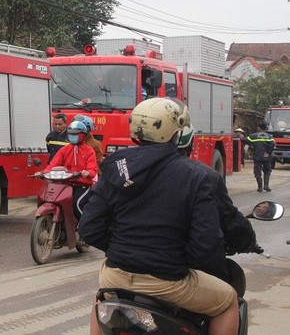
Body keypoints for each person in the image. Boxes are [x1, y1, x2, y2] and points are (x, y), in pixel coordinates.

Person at [79, 97, 239, 335]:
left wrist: (120, 250)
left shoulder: (115, 167)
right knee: (228, 301)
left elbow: (89, 228)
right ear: (176, 134)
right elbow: (206, 243)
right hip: (168, 281)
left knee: (102, 301)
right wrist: (175, 260)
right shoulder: (195, 176)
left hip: (116, 274)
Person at [177, 125, 260, 284]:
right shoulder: (204, 176)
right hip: (174, 272)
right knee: (229, 301)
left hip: (121, 269)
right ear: (189, 143)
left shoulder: (123, 169)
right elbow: (229, 219)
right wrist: (248, 241)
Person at [43, 121, 98, 221]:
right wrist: (43, 173)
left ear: (83, 135)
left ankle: (85, 228)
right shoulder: (65, 149)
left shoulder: (89, 150)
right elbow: (53, 164)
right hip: (66, 184)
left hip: (83, 185)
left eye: (76, 134)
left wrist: (88, 173)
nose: (73, 136)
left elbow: (92, 168)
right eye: (71, 134)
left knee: (76, 204)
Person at [246, 122, 275, 192]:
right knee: (267, 171)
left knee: (257, 172)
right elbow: (272, 144)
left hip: (257, 157)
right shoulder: (270, 136)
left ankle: (260, 187)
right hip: (266, 157)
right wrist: (268, 153)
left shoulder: (253, 136)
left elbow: (245, 140)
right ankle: (266, 186)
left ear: (259, 127)